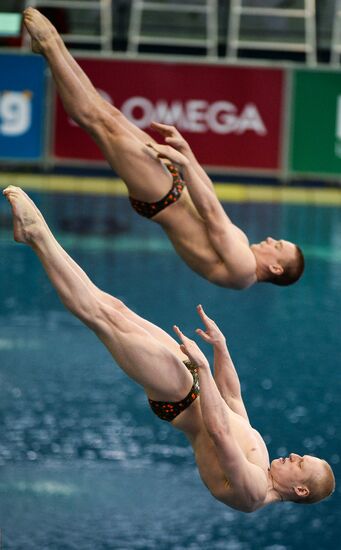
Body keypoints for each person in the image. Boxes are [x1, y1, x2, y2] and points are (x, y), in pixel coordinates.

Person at [3, 185, 334, 512]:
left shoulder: (253, 492)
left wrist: (203, 369)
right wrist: (222, 349)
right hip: (193, 385)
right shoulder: (262, 461)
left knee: (100, 318)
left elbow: (219, 433)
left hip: (181, 396)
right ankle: (34, 234)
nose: (294, 455)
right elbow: (233, 402)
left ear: (300, 489)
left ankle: (36, 235)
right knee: (114, 308)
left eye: (300, 463)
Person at [22, 7, 304, 291]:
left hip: (162, 197)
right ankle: (55, 46)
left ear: (276, 267)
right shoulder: (243, 246)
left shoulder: (244, 271)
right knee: (110, 114)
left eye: (277, 245)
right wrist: (188, 155)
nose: (271, 239)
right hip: (174, 186)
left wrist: (184, 164)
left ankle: (49, 46)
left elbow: (212, 214)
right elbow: (211, 198)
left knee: (97, 123)